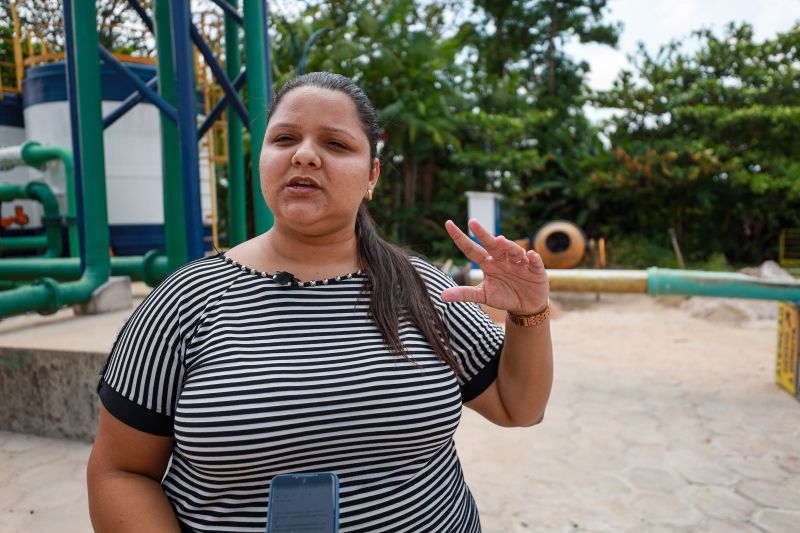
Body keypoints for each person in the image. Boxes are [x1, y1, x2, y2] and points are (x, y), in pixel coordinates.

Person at [87, 72, 553, 533]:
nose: (305, 156)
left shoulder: (423, 288)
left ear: (372, 175)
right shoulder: (185, 301)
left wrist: (528, 311)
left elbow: (518, 407)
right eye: (285, 138)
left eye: (335, 144)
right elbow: (121, 472)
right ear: (262, 159)